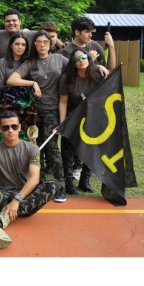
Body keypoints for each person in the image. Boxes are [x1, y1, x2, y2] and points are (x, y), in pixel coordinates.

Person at [0, 111, 59, 249]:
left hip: (24, 196)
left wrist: (16, 200)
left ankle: (1, 220)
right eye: (6, 127)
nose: (10, 130)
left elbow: (34, 178)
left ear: (20, 127)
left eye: (14, 126)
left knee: (53, 184)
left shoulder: (32, 148)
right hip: (2, 193)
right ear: (0, 129)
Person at [7, 30, 68, 202]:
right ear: (34, 44)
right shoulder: (31, 63)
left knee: (52, 148)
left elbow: (79, 66)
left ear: (50, 43)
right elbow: (12, 79)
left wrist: (98, 65)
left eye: (45, 42)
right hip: (33, 112)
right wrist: (32, 82)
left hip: (52, 110)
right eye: (39, 42)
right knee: (35, 148)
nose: (42, 45)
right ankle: (36, 184)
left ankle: (60, 185)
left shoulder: (59, 59)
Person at [58, 48, 106, 195]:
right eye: (77, 59)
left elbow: (111, 83)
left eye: (84, 57)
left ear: (89, 58)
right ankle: (68, 181)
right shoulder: (67, 78)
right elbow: (63, 102)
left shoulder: (98, 74)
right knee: (68, 149)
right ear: (72, 63)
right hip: (73, 114)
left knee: (91, 149)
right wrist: (63, 123)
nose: (81, 60)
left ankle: (85, 180)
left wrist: (100, 65)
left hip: (93, 115)